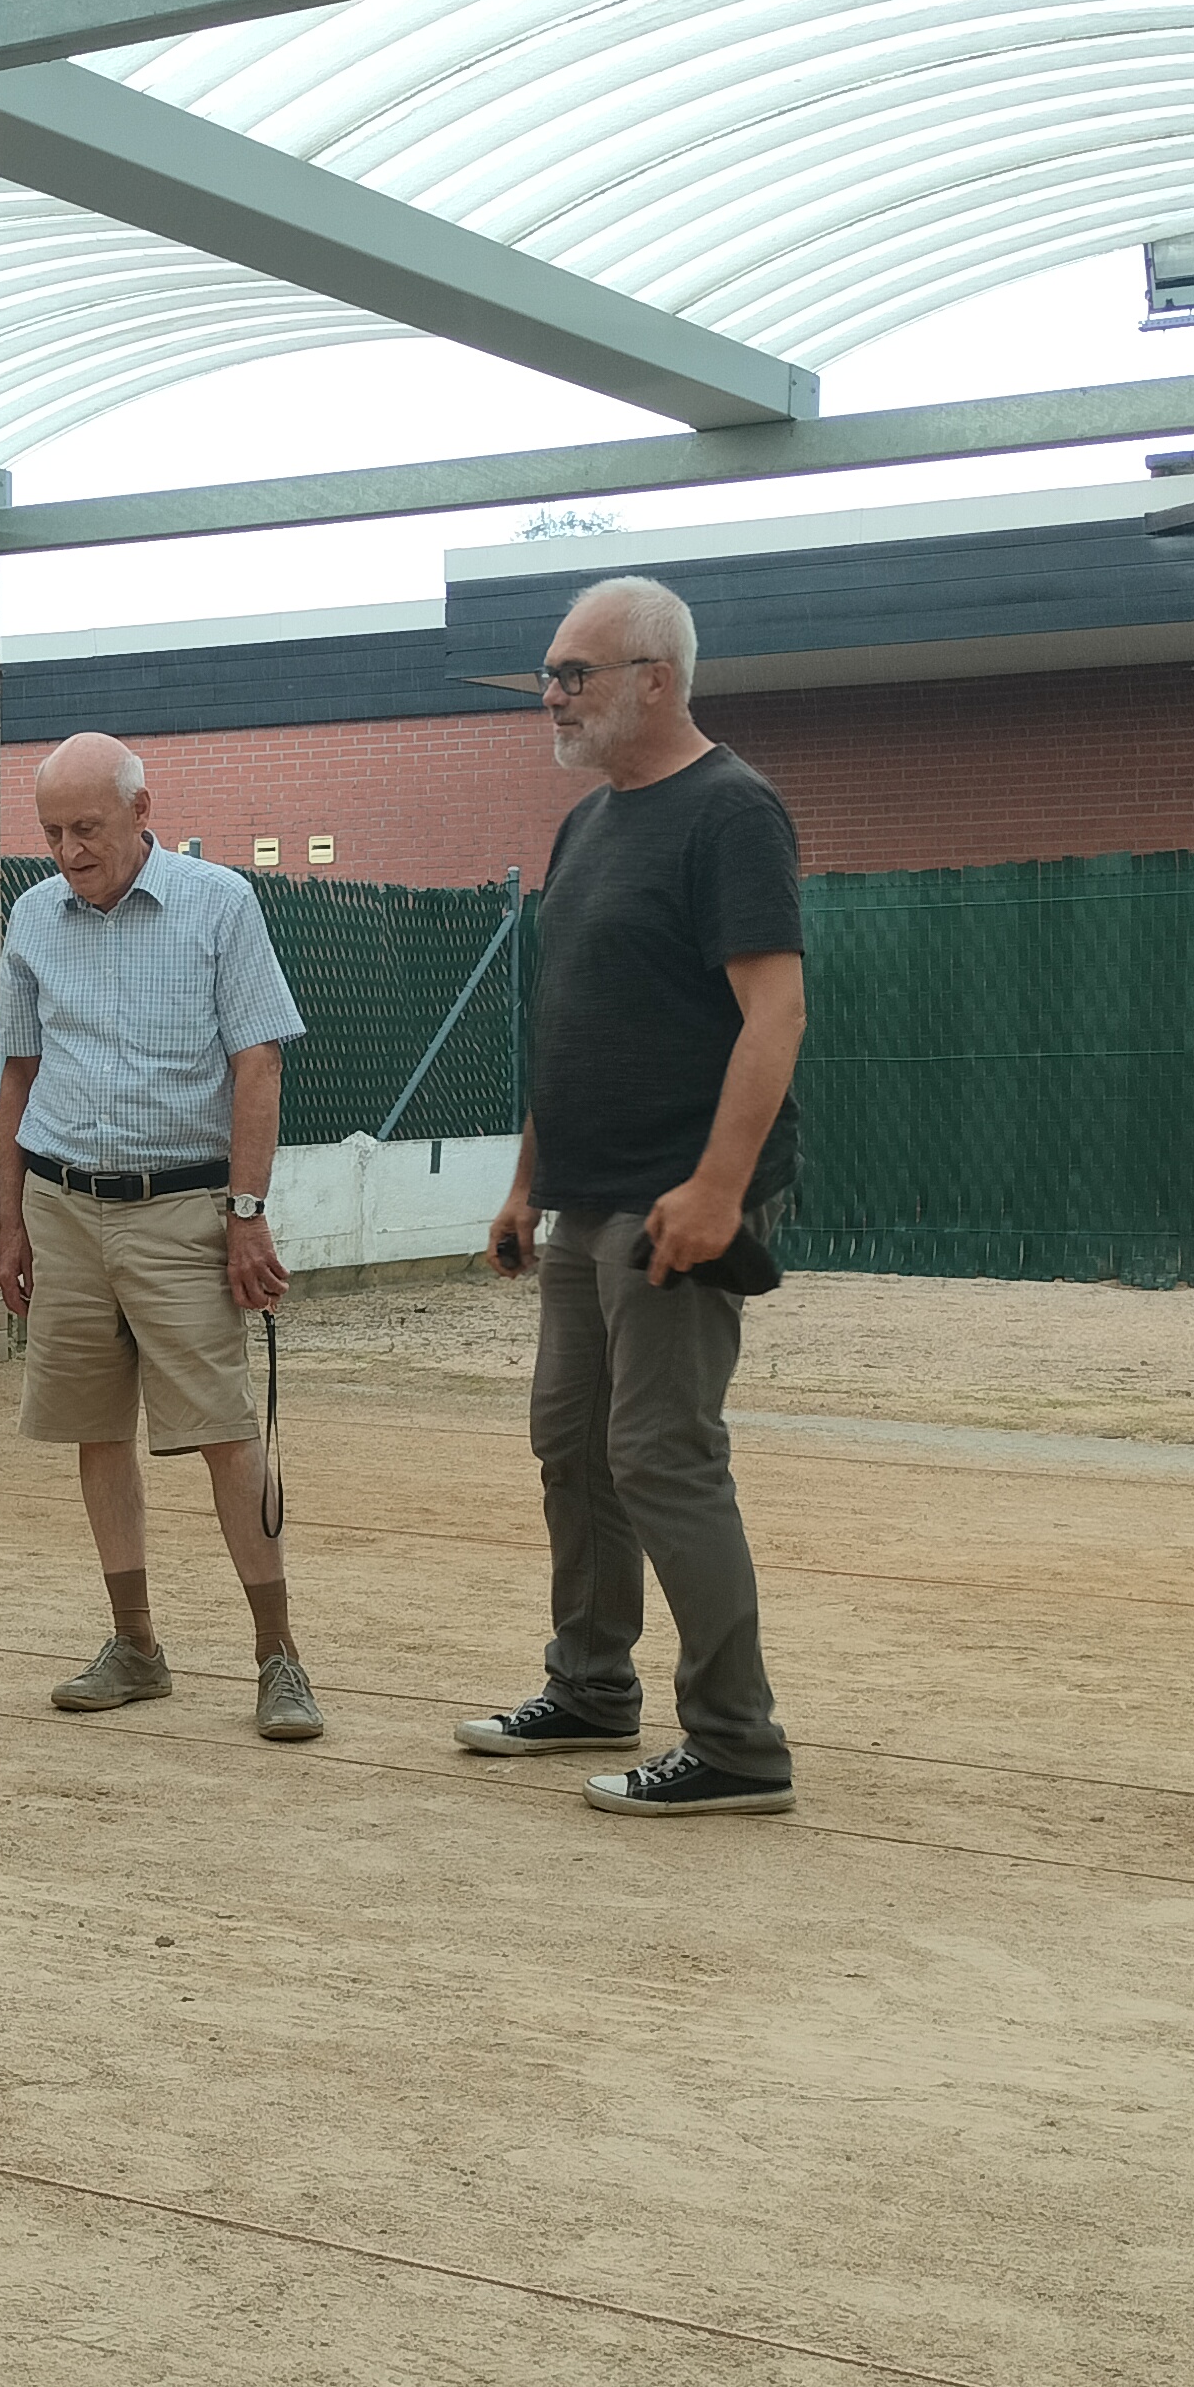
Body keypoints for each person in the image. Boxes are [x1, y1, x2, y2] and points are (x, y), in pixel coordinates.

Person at [466, 576, 805, 1818]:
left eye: (574, 674)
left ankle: (735, 1744)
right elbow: (574, 1023)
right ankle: (592, 1685)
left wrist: (719, 1189)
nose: (550, 695)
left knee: (664, 1458)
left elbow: (775, 1014)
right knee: (575, 1448)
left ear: (654, 678)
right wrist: (523, 1185)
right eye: (549, 674)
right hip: (585, 1199)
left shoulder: (732, 813)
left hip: (676, 1207)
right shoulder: (590, 824)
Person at [0, 733, 320, 1741]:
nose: (68, 852)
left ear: (143, 809)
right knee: (97, 1429)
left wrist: (246, 1213)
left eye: (85, 828)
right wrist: (7, 1219)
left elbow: (257, 1064)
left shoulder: (221, 904)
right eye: (51, 832)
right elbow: (16, 1072)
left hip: (185, 1209)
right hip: (60, 1204)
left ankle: (279, 1658)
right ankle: (134, 1644)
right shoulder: (33, 917)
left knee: (226, 1430)